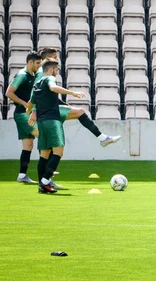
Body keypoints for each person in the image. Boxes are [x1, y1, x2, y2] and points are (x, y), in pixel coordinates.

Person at [27, 47, 121, 147]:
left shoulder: (42, 72)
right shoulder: (43, 72)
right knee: (80, 112)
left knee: (48, 151)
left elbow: (43, 94)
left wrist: (63, 104)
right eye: (55, 57)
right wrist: (34, 112)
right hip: (47, 112)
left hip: (46, 111)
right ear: (48, 58)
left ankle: (103, 138)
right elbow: (35, 91)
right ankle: (103, 138)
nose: (57, 59)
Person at [30, 60, 86, 194]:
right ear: (51, 70)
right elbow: (53, 88)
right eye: (57, 70)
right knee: (58, 152)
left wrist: (30, 114)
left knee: (44, 154)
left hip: (41, 122)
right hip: (52, 121)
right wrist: (72, 93)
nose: (57, 72)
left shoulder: (37, 83)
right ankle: (44, 182)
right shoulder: (50, 78)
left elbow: (30, 103)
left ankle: (42, 186)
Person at [6, 51, 42, 184]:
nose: (39, 66)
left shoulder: (33, 75)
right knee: (43, 135)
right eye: (37, 63)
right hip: (22, 114)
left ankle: (22, 175)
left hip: (25, 113)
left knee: (28, 145)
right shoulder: (21, 75)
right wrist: (24, 103)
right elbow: (8, 93)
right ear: (30, 62)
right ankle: (46, 172)